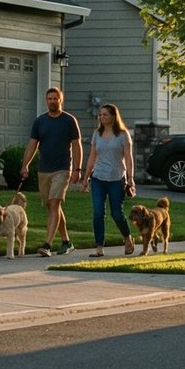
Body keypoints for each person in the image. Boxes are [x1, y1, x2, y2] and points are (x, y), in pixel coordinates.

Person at [22, 86, 82, 257]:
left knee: (55, 203)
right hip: (44, 169)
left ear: (60, 100)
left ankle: (47, 245)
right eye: (50, 99)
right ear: (46, 101)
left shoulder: (69, 120)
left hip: (62, 168)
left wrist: (77, 169)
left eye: (55, 98)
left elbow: (77, 146)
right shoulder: (40, 121)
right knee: (52, 207)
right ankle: (66, 242)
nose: (52, 101)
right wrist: (25, 165)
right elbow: (32, 144)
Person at [79, 102, 137, 258]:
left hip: (117, 178)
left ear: (113, 116)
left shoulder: (123, 135)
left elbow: (128, 158)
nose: (102, 117)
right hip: (98, 177)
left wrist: (131, 179)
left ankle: (127, 238)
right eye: (100, 114)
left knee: (117, 213)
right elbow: (92, 156)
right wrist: (86, 178)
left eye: (105, 114)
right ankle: (99, 247)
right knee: (98, 213)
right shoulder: (97, 134)